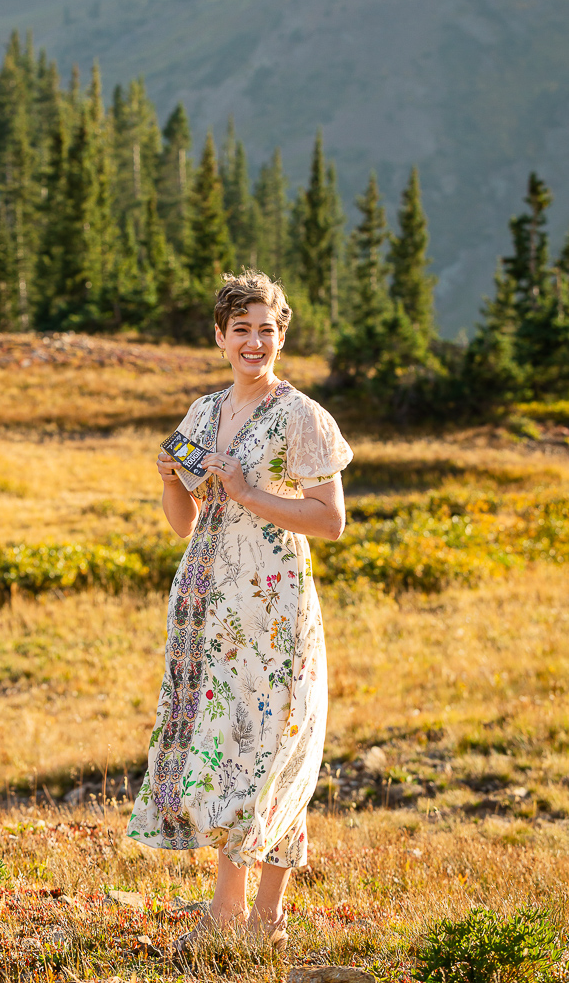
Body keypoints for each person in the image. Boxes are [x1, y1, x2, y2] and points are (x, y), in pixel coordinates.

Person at [127, 270, 352, 956]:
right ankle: (267, 921)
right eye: (241, 330)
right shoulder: (202, 411)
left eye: (266, 330)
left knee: (269, 739)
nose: (254, 342)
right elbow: (181, 522)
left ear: (281, 336)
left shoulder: (302, 415)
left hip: (274, 602)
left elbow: (330, 520)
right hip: (207, 598)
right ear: (219, 336)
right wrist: (167, 479)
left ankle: (226, 917)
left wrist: (250, 491)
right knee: (230, 739)